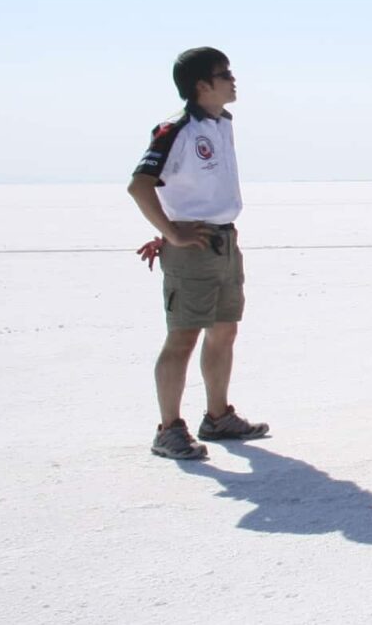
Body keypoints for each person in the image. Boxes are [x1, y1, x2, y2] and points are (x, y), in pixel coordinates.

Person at [128, 47, 268, 460]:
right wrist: (169, 232)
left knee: (224, 330)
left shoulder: (221, 124)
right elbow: (140, 185)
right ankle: (168, 428)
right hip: (192, 249)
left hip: (224, 241)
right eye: (224, 74)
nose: (233, 79)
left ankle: (218, 416)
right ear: (201, 85)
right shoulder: (177, 129)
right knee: (183, 336)